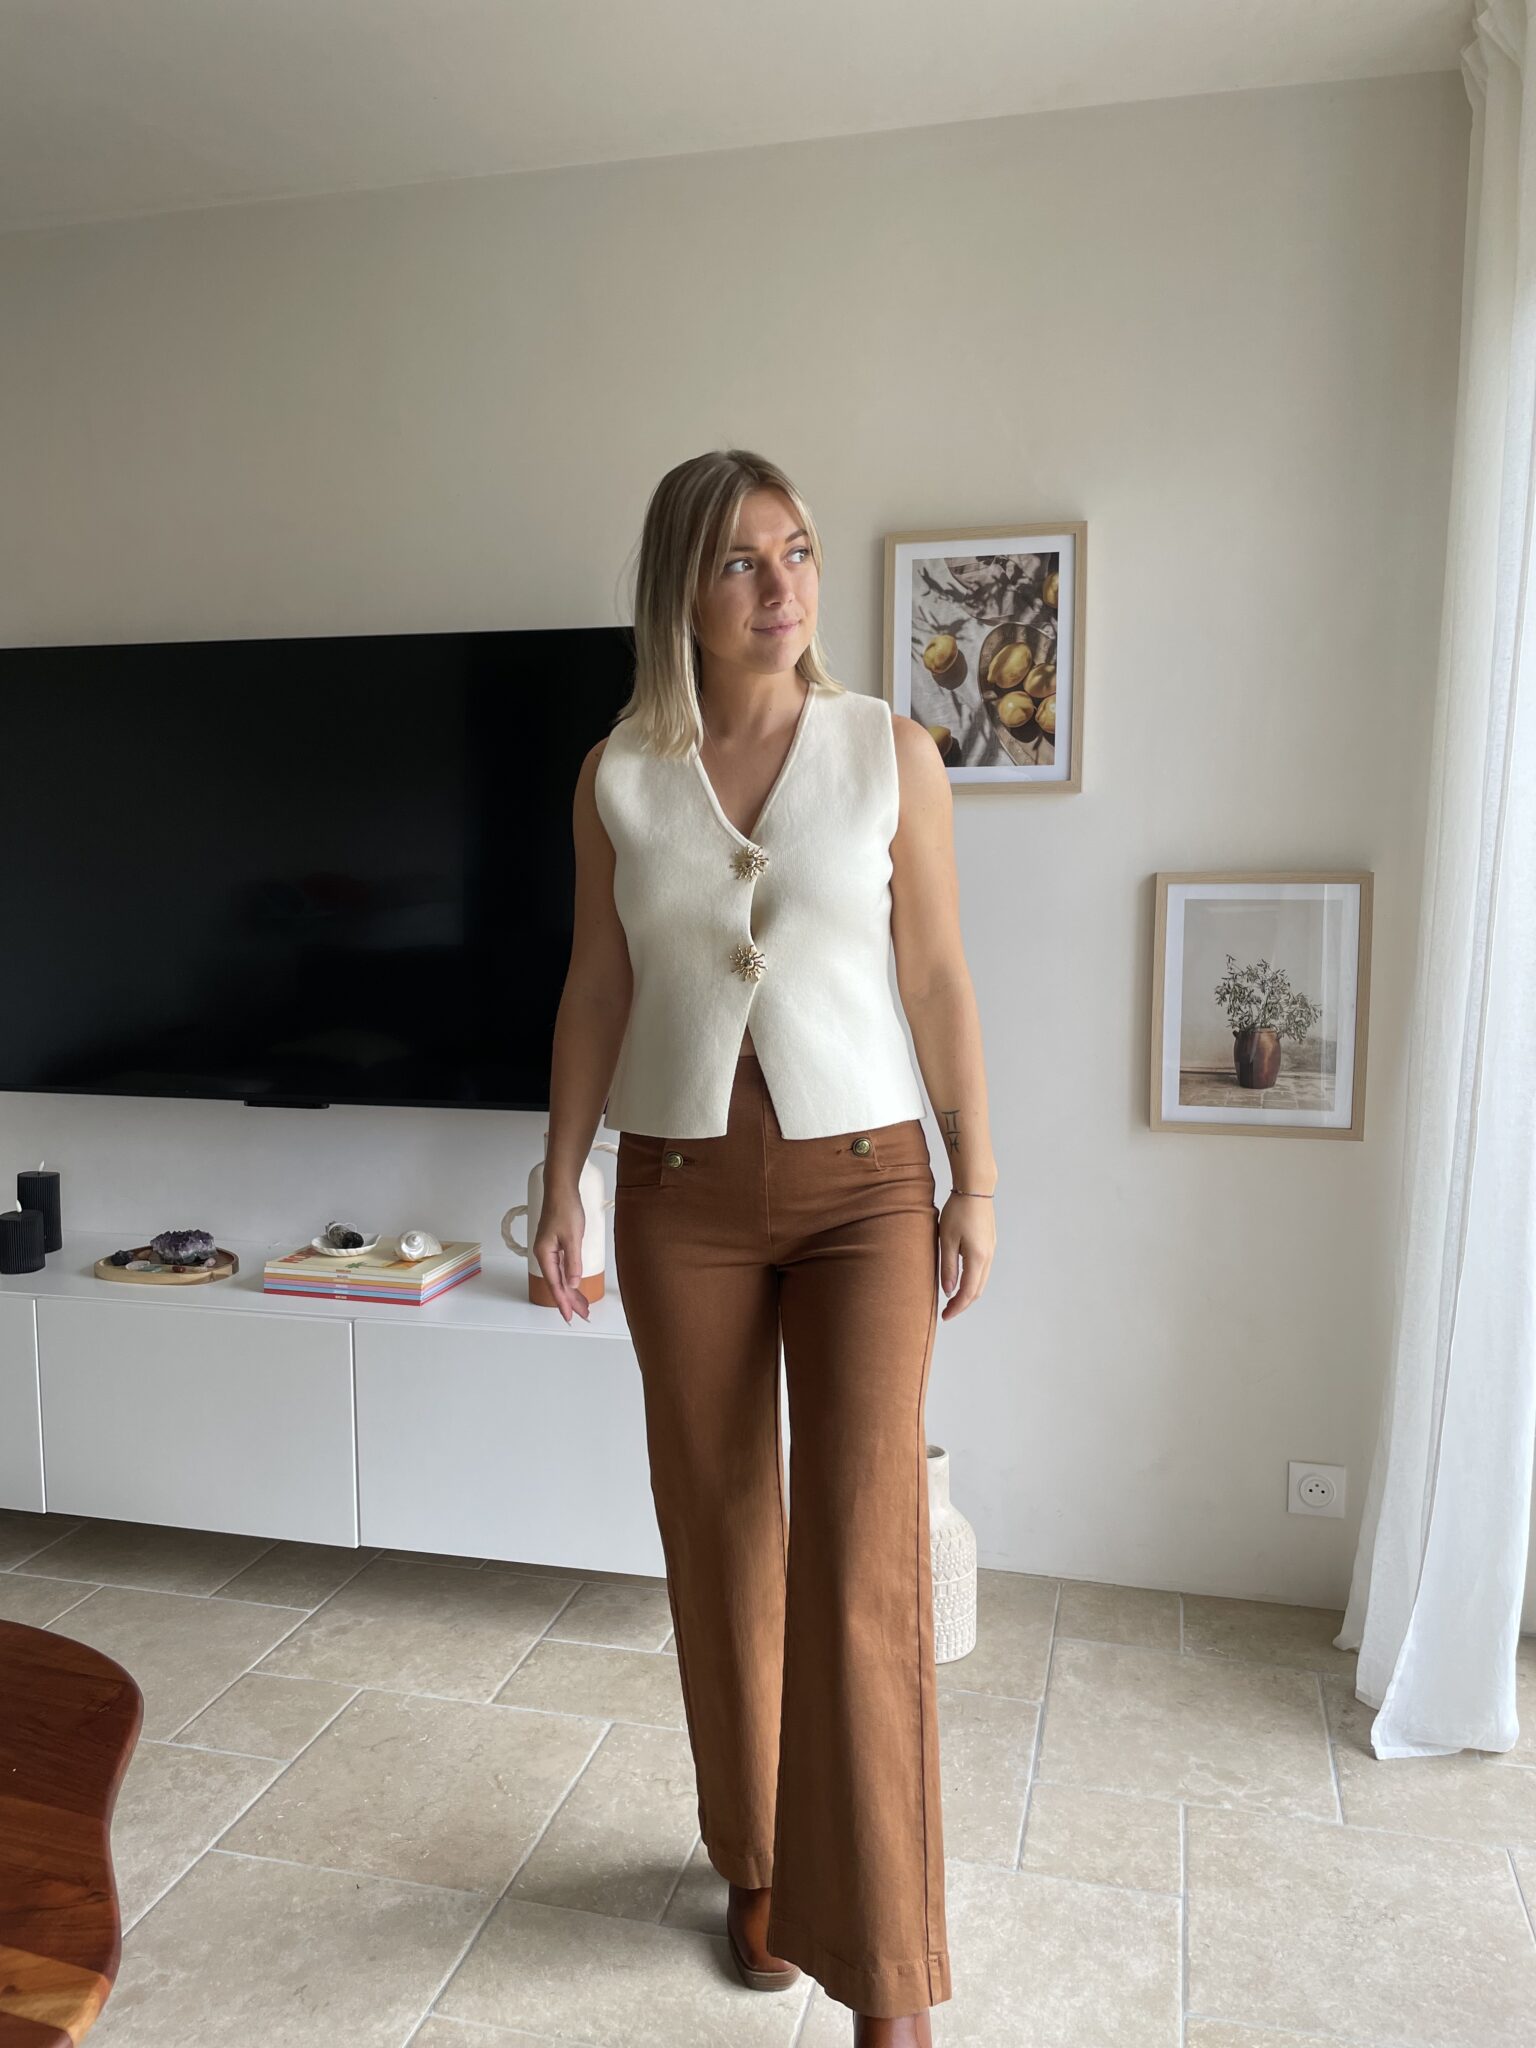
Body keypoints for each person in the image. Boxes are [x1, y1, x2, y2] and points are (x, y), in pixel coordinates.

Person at [535, 448, 996, 2048]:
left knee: (864, 1555)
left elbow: (937, 979)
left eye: (796, 551)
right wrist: (561, 1179)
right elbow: (597, 986)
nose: (782, 585)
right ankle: (758, 1860)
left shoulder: (890, 752)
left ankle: (889, 1974)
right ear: (682, 590)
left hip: (866, 1188)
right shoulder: (618, 777)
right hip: (678, 1194)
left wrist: (977, 1183)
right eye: (742, 561)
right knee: (722, 1534)